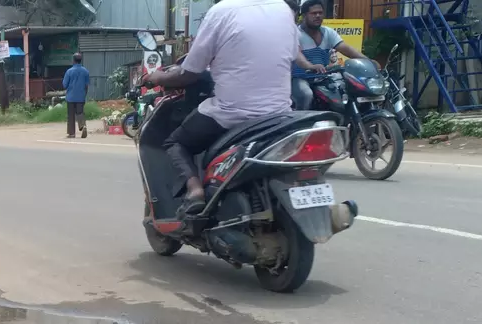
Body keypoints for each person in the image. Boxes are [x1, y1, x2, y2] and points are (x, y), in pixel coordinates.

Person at [142, 0, 324, 216]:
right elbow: (292, 54)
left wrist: (156, 77)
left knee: (176, 142)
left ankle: (196, 192)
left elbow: (189, 72)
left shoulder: (221, 12)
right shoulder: (283, 10)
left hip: (232, 113)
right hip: (279, 115)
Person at [292, 0, 376, 110]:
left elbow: (346, 49)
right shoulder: (295, 34)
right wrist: (310, 66)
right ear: (303, 15)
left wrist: (368, 61)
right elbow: (298, 56)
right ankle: (300, 125)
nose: (318, 16)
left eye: (320, 13)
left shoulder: (328, 32)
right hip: (300, 78)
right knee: (306, 95)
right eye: (313, 13)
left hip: (322, 77)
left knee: (346, 90)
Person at [62, 53, 90, 139]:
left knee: (71, 115)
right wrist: (84, 95)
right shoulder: (85, 71)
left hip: (70, 97)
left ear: (73, 60)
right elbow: (86, 85)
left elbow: (64, 85)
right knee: (80, 113)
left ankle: (72, 133)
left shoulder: (69, 71)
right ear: (80, 60)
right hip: (81, 96)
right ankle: (83, 126)